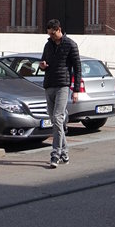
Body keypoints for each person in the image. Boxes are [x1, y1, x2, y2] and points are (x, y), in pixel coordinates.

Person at [40, 19, 82, 168]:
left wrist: (76, 90)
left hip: (63, 86)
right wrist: (42, 65)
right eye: (49, 34)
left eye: (52, 34)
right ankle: (65, 153)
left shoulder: (70, 44)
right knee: (55, 121)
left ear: (59, 30)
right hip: (49, 85)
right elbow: (43, 61)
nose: (51, 36)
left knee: (57, 118)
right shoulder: (48, 45)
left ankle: (55, 154)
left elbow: (77, 68)